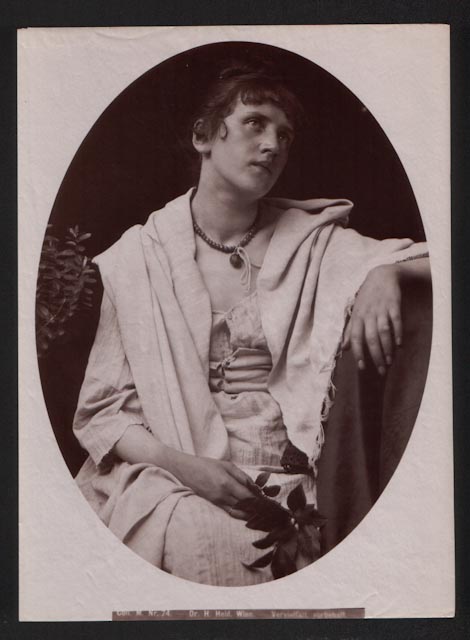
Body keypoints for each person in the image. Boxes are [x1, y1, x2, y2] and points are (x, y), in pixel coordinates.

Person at [73, 62, 430, 586]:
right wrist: (185, 467)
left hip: (287, 481)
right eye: (254, 124)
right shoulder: (139, 258)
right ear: (202, 136)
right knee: (191, 529)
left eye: (284, 136)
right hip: (173, 468)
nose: (272, 146)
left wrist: (386, 271)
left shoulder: (309, 241)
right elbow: (102, 412)